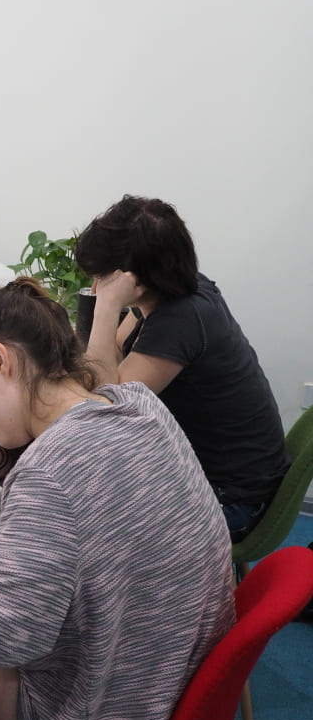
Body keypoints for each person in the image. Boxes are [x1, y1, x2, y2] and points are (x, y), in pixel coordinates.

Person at [0, 278, 234, 720]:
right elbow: (87, 461)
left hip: (97, 711)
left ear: (1, 359)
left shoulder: (49, 475)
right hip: (167, 673)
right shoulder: (136, 403)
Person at [74, 195, 290, 542]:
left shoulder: (182, 317)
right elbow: (114, 347)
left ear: (134, 276)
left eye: (103, 277)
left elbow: (105, 409)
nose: (97, 286)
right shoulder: (177, 288)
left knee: (90, 528)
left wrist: (105, 306)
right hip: (231, 476)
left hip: (234, 500)